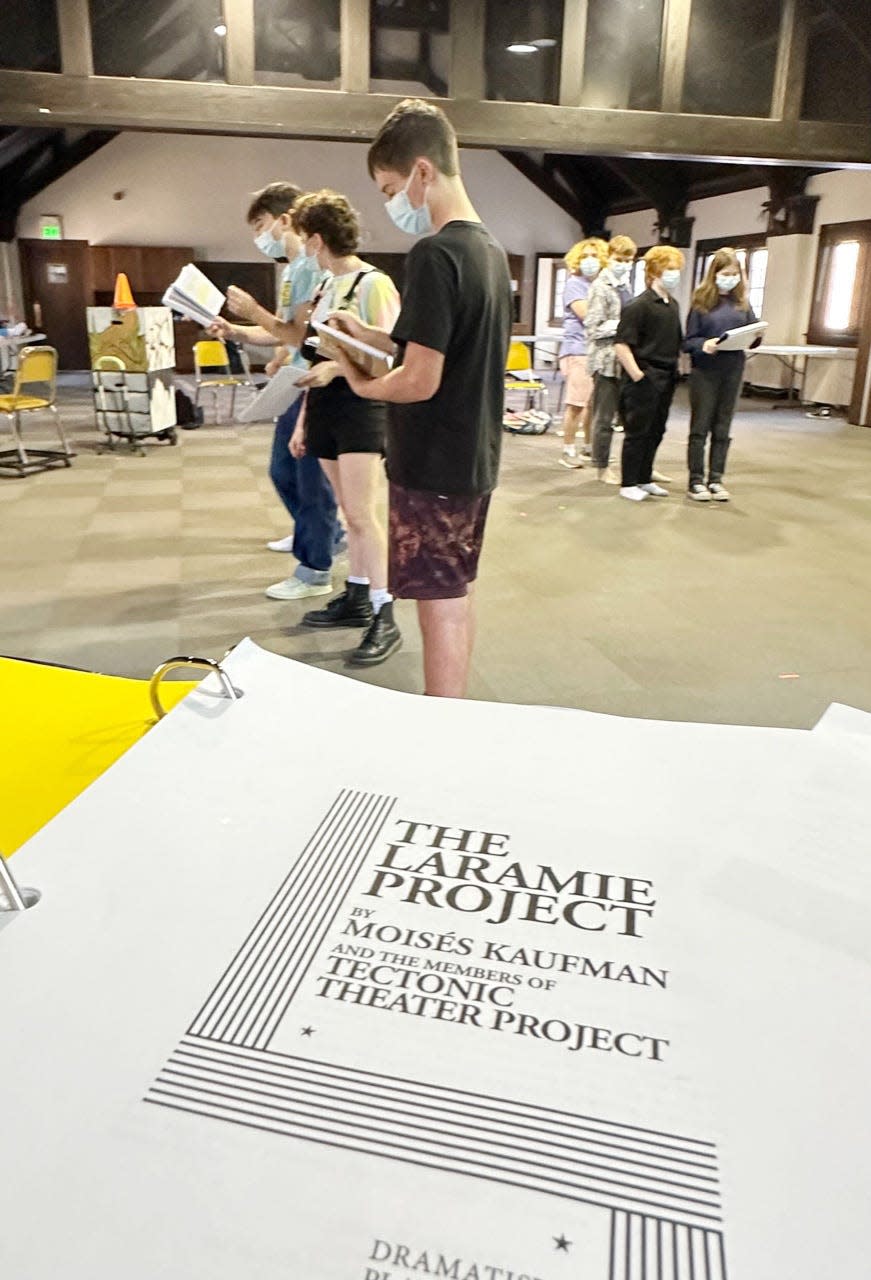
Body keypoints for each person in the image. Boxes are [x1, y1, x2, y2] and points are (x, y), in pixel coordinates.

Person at [321, 98, 512, 699]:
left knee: (439, 603)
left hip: (433, 459)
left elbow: (420, 379)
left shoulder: (436, 252)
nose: (390, 203)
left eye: (389, 187)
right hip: (472, 452)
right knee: (455, 590)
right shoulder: (488, 251)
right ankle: (448, 717)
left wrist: (358, 381)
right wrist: (368, 336)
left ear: (423, 172)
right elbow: (431, 345)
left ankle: (441, 727)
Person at [210, 182, 344, 600]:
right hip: (296, 380)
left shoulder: (313, 267)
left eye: (261, 226)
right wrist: (236, 329)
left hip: (315, 383)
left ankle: (314, 569)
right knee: (284, 471)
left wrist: (254, 314)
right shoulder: (292, 270)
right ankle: (320, 535)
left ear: (287, 220)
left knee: (310, 480)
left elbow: (301, 333)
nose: (259, 237)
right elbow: (284, 334)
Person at [290, 189, 403, 666]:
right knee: (347, 511)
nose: (300, 250)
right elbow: (316, 352)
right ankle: (358, 594)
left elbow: (389, 356)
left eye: (302, 240)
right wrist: (303, 418)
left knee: (362, 514)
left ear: (317, 239)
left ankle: (384, 611)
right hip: (325, 406)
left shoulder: (373, 284)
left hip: (361, 406)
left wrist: (337, 371)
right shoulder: (326, 286)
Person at [682, 249, 760, 502]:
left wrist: (757, 337)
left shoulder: (742, 304)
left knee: (723, 427)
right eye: (726, 274)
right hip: (705, 371)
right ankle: (696, 480)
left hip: (733, 369)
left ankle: (716, 478)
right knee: (700, 426)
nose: (731, 278)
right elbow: (688, 341)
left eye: (735, 274)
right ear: (715, 274)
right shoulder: (701, 303)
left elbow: (751, 334)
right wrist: (704, 344)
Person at [613, 245, 685, 502]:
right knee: (637, 432)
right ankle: (628, 482)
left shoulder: (672, 305)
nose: (675, 275)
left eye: (677, 270)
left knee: (657, 430)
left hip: (667, 377)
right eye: (670, 270)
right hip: (645, 376)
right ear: (654, 271)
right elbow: (621, 344)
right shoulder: (638, 306)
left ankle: (644, 478)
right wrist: (638, 377)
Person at [584, 234, 637, 485]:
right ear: (609, 258)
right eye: (619, 259)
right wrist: (624, 325)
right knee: (604, 419)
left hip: (625, 361)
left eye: (628, 260)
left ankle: (636, 466)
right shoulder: (599, 287)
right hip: (605, 362)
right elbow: (593, 327)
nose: (624, 264)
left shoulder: (626, 286)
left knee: (630, 419)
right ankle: (601, 467)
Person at [558, 237, 608, 469]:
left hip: (598, 351)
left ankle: (589, 446)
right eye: (585, 256)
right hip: (578, 350)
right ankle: (568, 449)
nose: (590, 261)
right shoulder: (574, 284)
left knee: (592, 404)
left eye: (595, 256)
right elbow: (588, 316)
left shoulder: (602, 285)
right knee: (576, 403)